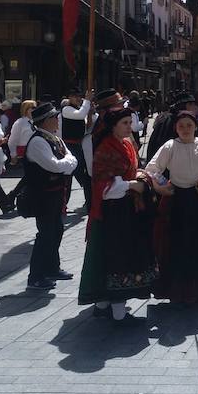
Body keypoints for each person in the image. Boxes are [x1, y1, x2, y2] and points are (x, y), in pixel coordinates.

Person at [78, 105, 158, 324]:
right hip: (113, 214)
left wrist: (141, 177)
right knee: (116, 257)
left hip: (127, 211)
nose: (129, 127)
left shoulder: (126, 144)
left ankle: (104, 306)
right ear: (113, 126)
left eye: (130, 123)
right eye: (125, 123)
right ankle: (117, 313)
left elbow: (131, 170)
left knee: (116, 255)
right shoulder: (105, 148)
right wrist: (133, 184)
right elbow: (103, 187)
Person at [146, 110, 198, 303]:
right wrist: (163, 186)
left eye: (189, 125)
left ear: (195, 126)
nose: (185, 129)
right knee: (178, 245)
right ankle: (178, 291)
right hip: (177, 200)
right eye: (181, 126)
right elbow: (152, 169)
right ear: (176, 128)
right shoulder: (170, 146)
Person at [23, 102, 78, 290]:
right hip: (42, 196)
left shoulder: (55, 138)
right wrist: (66, 165)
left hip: (55, 194)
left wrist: (65, 164)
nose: (57, 119)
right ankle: (36, 276)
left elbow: (73, 160)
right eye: (55, 117)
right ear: (46, 121)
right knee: (45, 234)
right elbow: (54, 165)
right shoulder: (38, 141)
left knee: (57, 230)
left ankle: (52, 267)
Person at [59, 85, 93, 212]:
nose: (78, 99)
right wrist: (87, 101)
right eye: (75, 96)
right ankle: (62, 204)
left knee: (82, 175)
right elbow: (80, 115)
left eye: (80, 96)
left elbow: (86, 126)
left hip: (78, 146)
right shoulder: (66, 109)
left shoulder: (78, 109)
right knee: (69, 176)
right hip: (69, 146)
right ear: (70, 98)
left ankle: (89, 199)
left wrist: (89, 112)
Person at [146, 91, 198, 160]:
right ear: (187, 106)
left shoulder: (164, 120)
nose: (196, 108)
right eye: (194, 105)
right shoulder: (189, 122)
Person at [5, 99, 37, 207]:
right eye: (32, 108)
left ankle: (15, 195)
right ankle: (14, 195)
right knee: (29, 176)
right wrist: (13, 155)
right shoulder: (20, 123)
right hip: (24, 152)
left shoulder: (34, 122)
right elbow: (12, 140)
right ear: (26, 109)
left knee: (31, 176)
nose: (34, 110)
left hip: (34, 151)